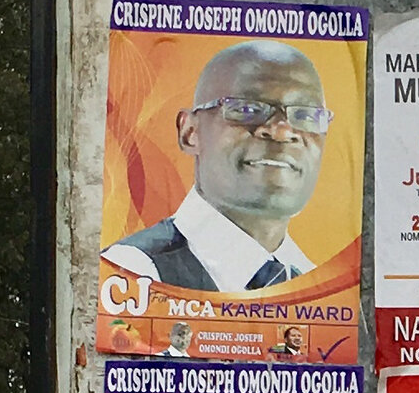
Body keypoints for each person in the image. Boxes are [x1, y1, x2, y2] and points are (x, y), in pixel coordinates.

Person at [104, 39, 336, 295]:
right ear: (190, 133)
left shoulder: (324, 289)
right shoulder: (134, 274)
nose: (282, 131)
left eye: (305, 116)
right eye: (247, 108)